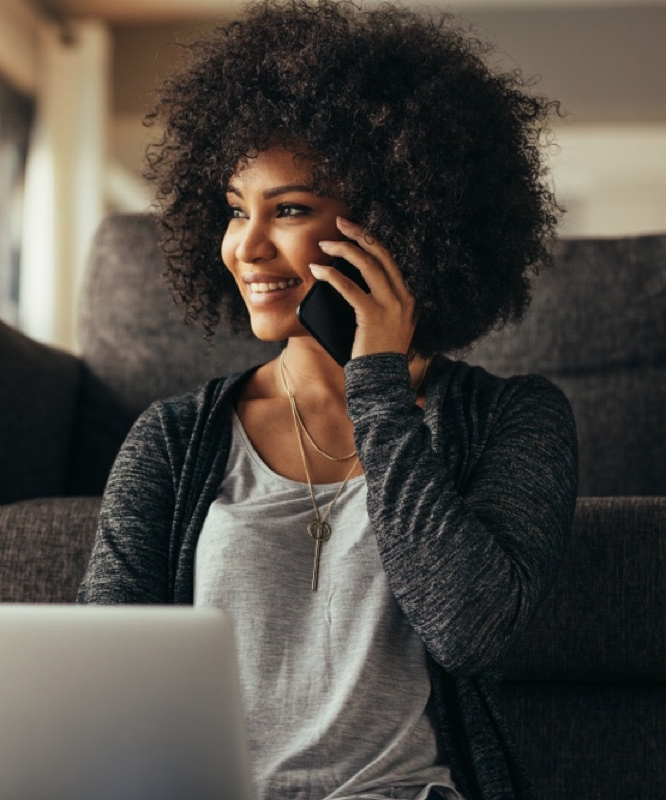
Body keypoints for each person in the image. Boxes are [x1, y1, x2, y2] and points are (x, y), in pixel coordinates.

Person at [76, 2, 579, 799]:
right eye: (238, 208)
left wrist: (376, 381)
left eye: (291, 210)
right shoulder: (171, 440)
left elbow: (468, 627)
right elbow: (97, 687)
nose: (246, 246)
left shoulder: (516, 420)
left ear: (400, 224)